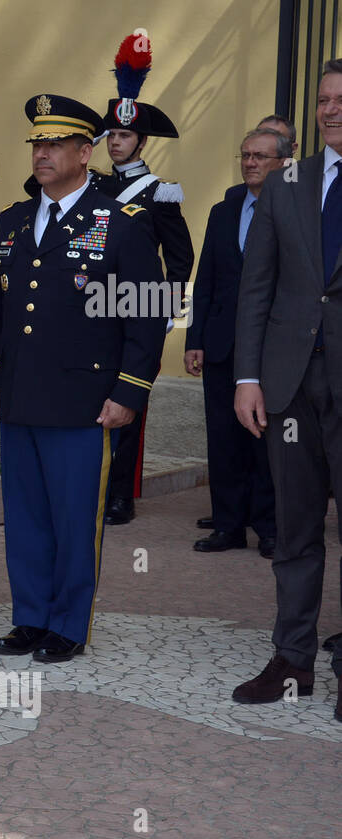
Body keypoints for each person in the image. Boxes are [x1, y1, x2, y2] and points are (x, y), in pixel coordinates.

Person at [0, 94, 165, 664]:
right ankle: (31, 617)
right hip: (22, 395)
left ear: (86, 153)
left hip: (86, 401)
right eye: (37, 143)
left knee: (74, 517)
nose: (43, 153)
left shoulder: (121, 222)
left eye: (56, 144)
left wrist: (130, 390)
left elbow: (147, 310)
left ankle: (68, 623)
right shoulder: (12, 221)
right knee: (28, 517)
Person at [232, 60, 342, 718]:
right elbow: (257, 288)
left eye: (341, 99)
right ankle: (293, 659)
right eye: (324, 100)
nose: (331, 109)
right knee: (296, 530)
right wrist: (248, 376)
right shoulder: (286, 185)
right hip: (291, 386)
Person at [97, 33, 193, 526]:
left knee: (128, 404)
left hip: (132, 309)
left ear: (141, 140)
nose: (116, 141)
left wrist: (161, 309)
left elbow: (181, 258)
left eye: (125, 136)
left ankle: (120, 495)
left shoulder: (159, 193)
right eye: (110, 134)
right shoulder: (89, 184)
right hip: (89, 309)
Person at [185, 129, 288, 557]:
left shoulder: (294, 209)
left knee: (264, 441)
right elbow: (206, 277)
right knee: (223, 439)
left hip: (272, 346)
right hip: (221, 344)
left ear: (282, 162)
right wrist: (195, 338)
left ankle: (268, 528)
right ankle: (227, 526)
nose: (250, 163)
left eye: (260, 156)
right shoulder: (223, 210)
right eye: (245, 155)